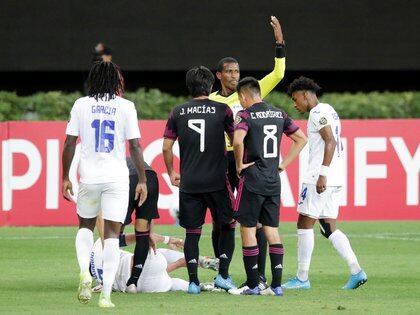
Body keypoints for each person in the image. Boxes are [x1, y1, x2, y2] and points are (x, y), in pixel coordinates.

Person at [62, 60, 148, 308]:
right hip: (117, 178)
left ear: (93, 80)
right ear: (116, 82)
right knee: (112, 235)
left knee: (85, 227)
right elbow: (135, 146)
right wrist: (142, 179)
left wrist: (66, 177)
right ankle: (106, 294)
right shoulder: (126, 106)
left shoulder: (81, 104)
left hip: (89, 176)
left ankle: (84, 272)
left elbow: (69, 143)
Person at [209, 16, 286, 286]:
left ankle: (259, 276)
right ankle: (224, 274)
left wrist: (279, 43)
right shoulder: (211, 101)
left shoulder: (251, 92)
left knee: (257, 220)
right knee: (222, 220)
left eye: (237, 70)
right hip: (223, 161)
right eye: (228, 71)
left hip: (248, 161)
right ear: (219, 75)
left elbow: (278, 74)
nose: (234, 75)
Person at [282, 76, 368, 290]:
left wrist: (322, 173)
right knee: (327, 226)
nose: (295, 104)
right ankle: (356, 270)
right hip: (337, 177)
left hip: (319, 178)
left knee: (304, 222)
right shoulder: (329, 109)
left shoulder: (317, 112)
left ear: (305, 94)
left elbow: (330, 140)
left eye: (295, 99)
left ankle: (302, 278)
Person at [228, 77, 307, 296]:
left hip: (252, 179)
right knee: (272, 230)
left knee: (247, 229)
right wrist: (283, 164)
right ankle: (276, 286)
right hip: (273, 180)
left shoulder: (245, 115)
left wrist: (238, 165)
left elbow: (237, 141)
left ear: (244, 96)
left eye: (240, 99)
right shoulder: (279, 113)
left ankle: (253, 285)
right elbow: (301, 138)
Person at [162, 66, 236, 294]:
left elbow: (166, 146)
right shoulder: (223, 110)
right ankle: (223, 275)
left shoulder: (178, 111)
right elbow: (237, 140)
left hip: (190, 183)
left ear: (189, 86)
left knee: (192, 233)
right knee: (227, 226)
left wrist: (172, 171)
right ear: (211, 86)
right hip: (217, 181)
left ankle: (193, 282)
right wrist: (241, 167)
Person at [89, 234, 219, 294]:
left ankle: (202, 286)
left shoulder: (98, 277)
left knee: (171, 283)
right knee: (156, 249)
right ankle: (201, 260)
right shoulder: (99, 243)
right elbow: (142, 235)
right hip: (142, 266)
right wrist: (169, 239)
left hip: (138, 287)